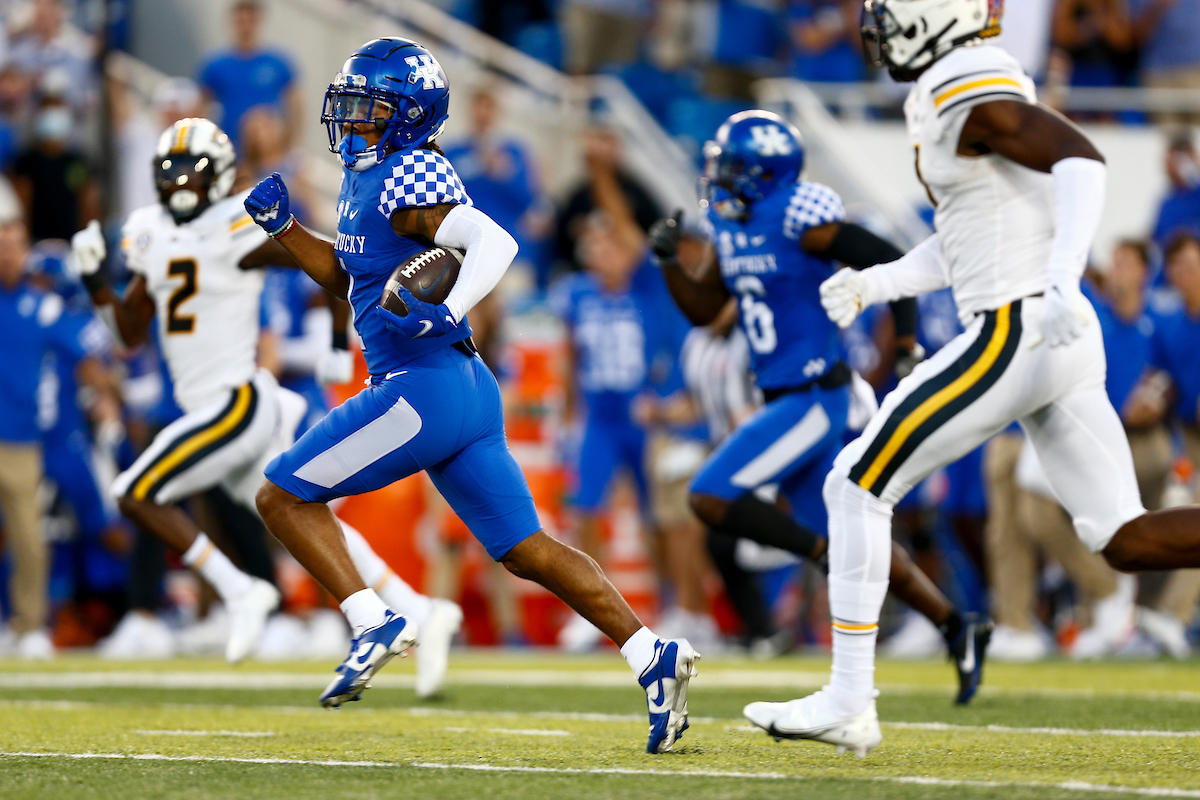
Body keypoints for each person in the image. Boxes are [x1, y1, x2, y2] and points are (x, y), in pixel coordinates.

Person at [748, 0, 1200, 756]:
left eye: (890, 15)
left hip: (1018, 330)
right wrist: (879, 284)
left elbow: (1082, 159)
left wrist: (1059, 279)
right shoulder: (952, 89)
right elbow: (968, 236)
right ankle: (849, 696)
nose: (877, 30)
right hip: (1049, 333)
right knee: (1122, 538)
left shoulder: (967, 86)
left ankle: (850, 699)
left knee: (854, 484)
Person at [241, 37, 696, 754]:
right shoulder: (369, 181)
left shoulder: (412, 171)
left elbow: (494, 243)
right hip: (460, 389)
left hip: (422, 384)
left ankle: (375, 620)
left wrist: (450, 307)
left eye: (370, 109)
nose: (353, 120)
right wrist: (288, 231)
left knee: (281, 497)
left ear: (409, 116)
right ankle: (652, 657)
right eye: (351, 106)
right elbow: (351, 276)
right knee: (526, 549)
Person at [70, 117, 460, 695]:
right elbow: (129, 330)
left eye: (193, 173)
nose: (180, 185)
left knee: (133, 491)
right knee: (301, 515)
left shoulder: (236, 223)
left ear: (220, 176)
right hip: (207, 407)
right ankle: (417, 608)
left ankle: (241, 591)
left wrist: (334, 346)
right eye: (171, 172)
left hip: (236, 404)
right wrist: (96, 281)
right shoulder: (149, 232)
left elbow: (335, 265)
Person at [649, 109, 991, 705]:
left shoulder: (799, 219)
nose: (719, 178)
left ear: (763, 173)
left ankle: (827, 558)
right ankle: (956, 625)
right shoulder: (734, 228)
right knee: (856, 542)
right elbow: (707, 312)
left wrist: (907, 342)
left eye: (730, 168)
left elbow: (886, 257)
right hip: (785, 398)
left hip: (815, 396)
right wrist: (671, 262)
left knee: (709, 495)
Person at [0, 203, 111, 659]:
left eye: (13, 247)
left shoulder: (44, 307)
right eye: (1, 248)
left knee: (28, 536)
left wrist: (109, 397)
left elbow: (89, 359)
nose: (7, 256)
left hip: (22, 437)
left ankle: (28, 626)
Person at [197, 0, 301, 150]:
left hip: (266, 151)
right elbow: (201, 107)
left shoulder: (278, 63)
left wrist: (291, 142)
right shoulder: (215, 65)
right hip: (229, 147)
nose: (245, 24)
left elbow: (295, 105)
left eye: (250, 18)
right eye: (241, 18)